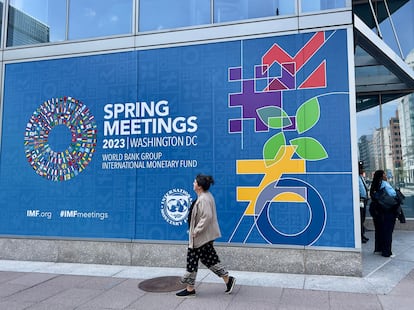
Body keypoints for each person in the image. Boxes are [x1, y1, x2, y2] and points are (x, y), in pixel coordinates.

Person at [176, 174, 236, 297]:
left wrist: (196, 231)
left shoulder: (203, 199)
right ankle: (227, 279)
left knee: (192, 260)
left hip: (200, 237)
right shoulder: (206, 196)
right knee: (209, 259)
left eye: (194, 182)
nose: (193, 183)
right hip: (205, 236)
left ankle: (190, 288)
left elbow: (207, 217)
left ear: (199, 186)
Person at [369, 170, 399, 258]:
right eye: (384, 174)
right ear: (382, 176)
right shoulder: (384, 184)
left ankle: (378, 249)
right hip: (387, 211)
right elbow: (393, 194)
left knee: (379, 230)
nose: (386, 175)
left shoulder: (374, 185)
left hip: (378, 211)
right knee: (388, 231)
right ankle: (387, 252)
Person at [358, 161, 369, 243]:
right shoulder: (356, 177)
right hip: (360, 200)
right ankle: (360, 236)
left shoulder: (361, 177)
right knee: (360, 219)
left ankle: (362, 235)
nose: (362, 169)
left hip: (364, 200)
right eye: (361, 168)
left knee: (362, 219)